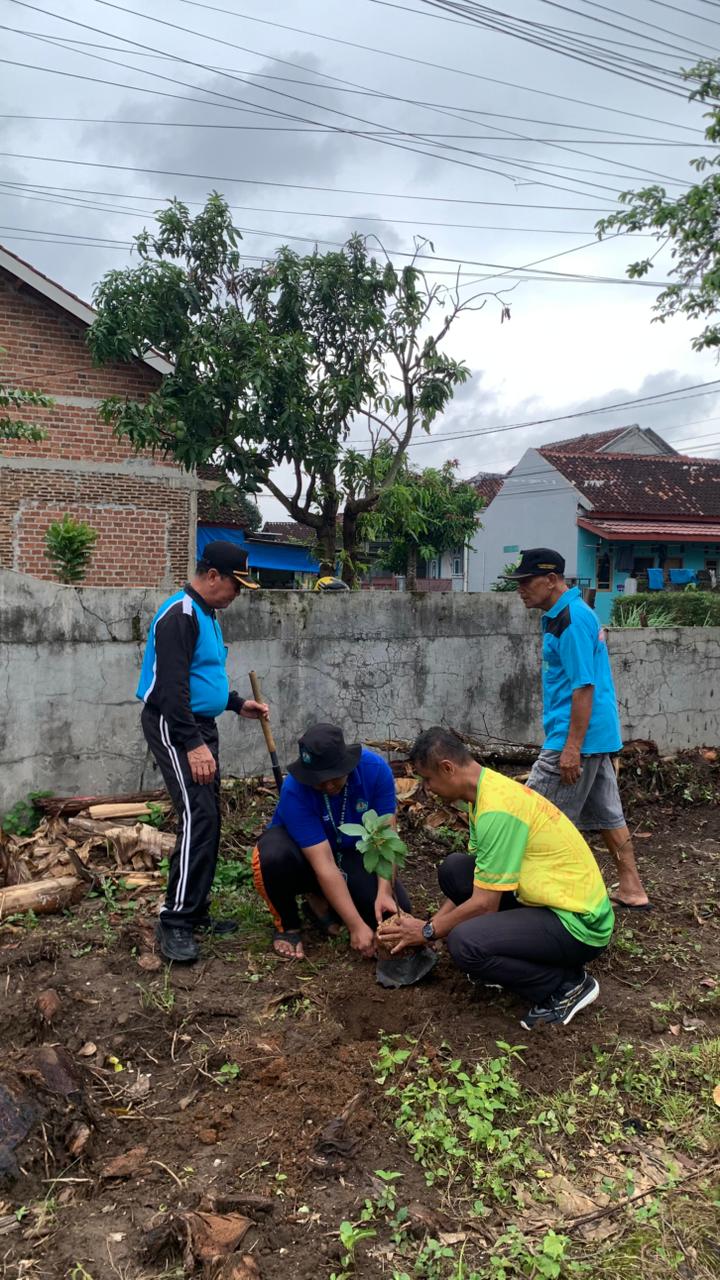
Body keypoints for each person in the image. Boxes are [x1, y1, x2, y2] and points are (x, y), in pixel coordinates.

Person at [379, 728, 614, 1029]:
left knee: (465, 943)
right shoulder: (485, 793)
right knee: (455, 870)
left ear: (447, 768)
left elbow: (485, 904)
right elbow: (480, 878)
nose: (427, 788)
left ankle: (564, 986)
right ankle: (513, 952)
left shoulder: (497, 810)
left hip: (579, 924)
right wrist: (431, 934)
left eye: (428, 779)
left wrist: (426, 931)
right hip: (549, 899)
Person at [137, 540, 269, 963]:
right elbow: (173, 690)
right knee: (197, 816)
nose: (238, 593)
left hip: (197, 724)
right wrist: (192, 744)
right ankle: (174, 920)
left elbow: (203, 675)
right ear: (213, 576)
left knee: (208, 814)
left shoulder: (208, 614)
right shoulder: (180, 616)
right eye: (236, 585)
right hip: (176, 725)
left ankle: (194, 911)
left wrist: (234, 703)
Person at [504, 548, 650, 910]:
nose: (520, 589)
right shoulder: (565, 614)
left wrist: (571, 747)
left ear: (552, 580)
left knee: (536, 816)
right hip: (595, 736)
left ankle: (547, 898)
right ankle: (631, 888)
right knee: (607, 814)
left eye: (526, 582)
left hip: (576, 738)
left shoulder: (571, 619)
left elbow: (583, 686)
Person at [252, 723, 411, 960]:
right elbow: (324, 863)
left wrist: (384, 891)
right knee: (273, 856)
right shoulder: (295, 790)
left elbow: (385, 840)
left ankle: (324, 902)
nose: (327, 786)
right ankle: (290, 923)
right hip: (304, 857)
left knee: (392, 915)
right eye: (318, 780)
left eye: (333, 777)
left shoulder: (375, 771)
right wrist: (356, 926)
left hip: (352, 851)